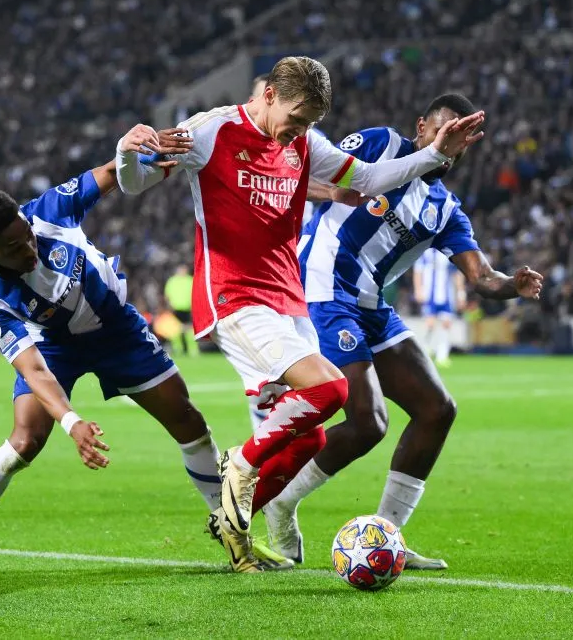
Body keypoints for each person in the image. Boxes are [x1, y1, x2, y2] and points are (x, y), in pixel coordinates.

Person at [115, 56, 485, 572]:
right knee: (332, 390)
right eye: (297, 117)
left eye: (311, 122)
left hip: (287, 300)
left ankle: (234, 529)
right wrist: (127, 153)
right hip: (234, 295)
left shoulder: (304, 143)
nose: (302, 131)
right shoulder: (211, 130)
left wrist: (431, 156)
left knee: (308, 435)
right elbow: (135, 183)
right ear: (268, 95)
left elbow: (373, 178)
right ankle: (239, 470)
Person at [0, 126, 294, 580]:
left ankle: (232, 537)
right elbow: (33, 369)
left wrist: (143, 157)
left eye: (25, 235)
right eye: (12, 249)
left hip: (118, 331)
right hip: (54, 347)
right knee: (24, 442)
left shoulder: (49, 210)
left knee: (189, 422)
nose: (28, 248)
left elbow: (109, 173)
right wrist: (72, 422)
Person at [260, 93, 542, 570]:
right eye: (443, 129)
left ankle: (386, 534)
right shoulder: (379, 145)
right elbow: (297, 175)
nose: (451, 141)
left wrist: (511, 285)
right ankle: (281, 500)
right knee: (369, 421)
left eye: (461, 137)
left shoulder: (445, 208)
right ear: (420, 128)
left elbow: (481, 276)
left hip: (371, 304)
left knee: (437, 409)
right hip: (324, 288)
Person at [414, 246, 466, 366]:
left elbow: (457, 274)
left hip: (446, 295)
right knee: (430, 324)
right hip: (429, 295)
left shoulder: (448, 253)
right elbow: (418, 271)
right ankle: (425, 351)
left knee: (446, 324)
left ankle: (442, 356)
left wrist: (460, 294)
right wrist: (418, 290)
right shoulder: (425, 252)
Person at [163, 265, 198, 356]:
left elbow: (196, 292)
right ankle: (178, 349)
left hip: (188, 308)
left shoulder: (190, 280)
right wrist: (169, 305)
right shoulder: (172, 281)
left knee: (189, 329)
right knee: (175, 330)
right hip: (175, 308)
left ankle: (192, 350)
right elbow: (167, 295)